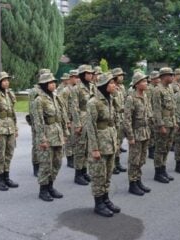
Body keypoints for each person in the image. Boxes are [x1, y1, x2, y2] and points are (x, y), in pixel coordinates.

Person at [86, 72, 120, 217]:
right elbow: (91, 126)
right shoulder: (93, 102)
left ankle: (105, 199)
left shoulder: (110, 99)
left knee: (108, 173)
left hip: (110, 142)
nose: (115, 85)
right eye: (112, 83)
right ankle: (98, 203)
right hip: (99, 144)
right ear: (105, 85)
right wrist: (94, 148)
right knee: (98, 175)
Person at [33, 73, 68, 201]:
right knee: (46, 164)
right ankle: (43, 189)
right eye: (51, 82)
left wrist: (65, 134)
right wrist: (42, 139)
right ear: (44, 85)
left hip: (57, 133)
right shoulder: (39, 100)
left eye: (54, 82)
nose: (54, 84)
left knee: (57, 162)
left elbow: (62, 117)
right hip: (47, 135)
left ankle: (51, 186)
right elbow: (38, 121)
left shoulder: (55, 97)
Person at [124, 71, 152, 196]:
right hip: (136, 133)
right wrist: (130, 137)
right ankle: (132, 183)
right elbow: (127, 119)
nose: (146, 83)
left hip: (145, 132)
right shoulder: (131, 98)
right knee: (134, 160)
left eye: (146, 81)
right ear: (136, 84)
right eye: (143, 81)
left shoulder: (145, 96)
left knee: (141, 159)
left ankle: (138, 180)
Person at [72, 64, 96, 185]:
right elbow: (75, 107)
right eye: (88, 73)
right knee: (80, 148)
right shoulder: (76, 88)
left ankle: (84, 171)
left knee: (87, 148)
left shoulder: (92, 86)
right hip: (81, 119)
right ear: (82, 75)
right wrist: (77, 124)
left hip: (90, 120)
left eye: (91, 73)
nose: (91, 75)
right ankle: (78, 174)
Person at [152, 67, 176, 183]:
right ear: (163, 77)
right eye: (170, 75)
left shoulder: (170, 88)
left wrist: (175, 122)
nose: (172, 77)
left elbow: (173, 107)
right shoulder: (157, 90)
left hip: (170, 122)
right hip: (163, 124)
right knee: (160, 148)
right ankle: (158, 172)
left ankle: (163, 168)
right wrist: (161, 125)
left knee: (167, 147)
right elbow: (156, 109)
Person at [28, 69, 51, 177]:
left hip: (47, 123)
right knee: (37, 144)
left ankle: (44, 164)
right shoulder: (34, 91)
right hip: (36, 121)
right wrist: (34, 123)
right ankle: (36, 165)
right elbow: (32, 108)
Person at [112, 67, 127, 174]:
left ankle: (117, 163)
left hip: (121, 118)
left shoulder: (122, 87)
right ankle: (112, 165)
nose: (122, 77)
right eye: (120, 75)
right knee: (113, 143)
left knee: (119, 142)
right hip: (114, 118)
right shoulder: (111, 87)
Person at [147, 70, 160, 159]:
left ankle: (154, 148)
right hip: (151, 114)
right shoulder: (149, 89)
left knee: (155, 133)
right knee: (151, 133)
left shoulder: (156, 88)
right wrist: (150, 115)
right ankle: (151, 151)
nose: (158, 80)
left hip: (156, 113)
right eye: (156, 78)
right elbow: (148, 102)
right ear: (152, 79)